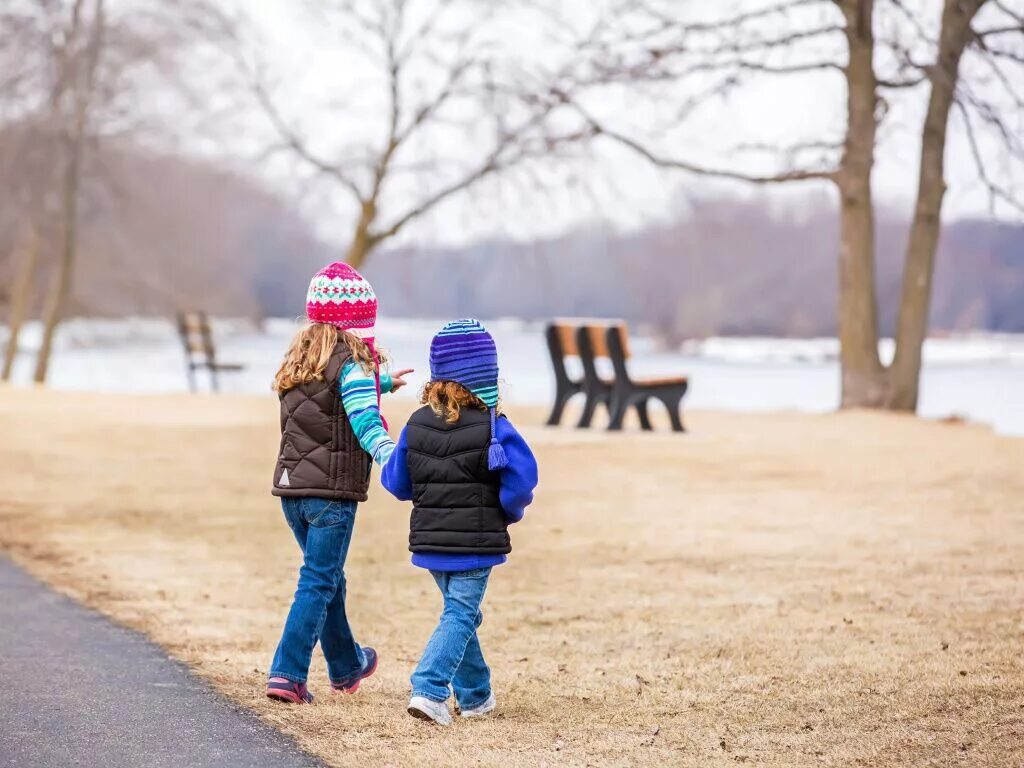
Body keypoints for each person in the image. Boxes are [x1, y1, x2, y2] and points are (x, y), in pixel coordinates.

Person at [265, 262, 412, 704]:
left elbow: (326, 399)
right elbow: (363, 417)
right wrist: (391, 459)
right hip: (331, 496)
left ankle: (347, 665)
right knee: (317, 581)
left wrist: (382, 381)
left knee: (328, 579)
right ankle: (287, 674)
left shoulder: (298, 364)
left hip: (293, 493)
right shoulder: (351, 366)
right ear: (356, 326)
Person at [381, 319, 538, 725]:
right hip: (475, 543)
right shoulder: (494, 427)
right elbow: (521, 482)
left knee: (460, 611)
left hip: (431, 542)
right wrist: (509, 511)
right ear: (488, 377)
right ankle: (430, 689)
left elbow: (398, 483)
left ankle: (476, 696)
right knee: (461, 613)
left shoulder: (416, 425)